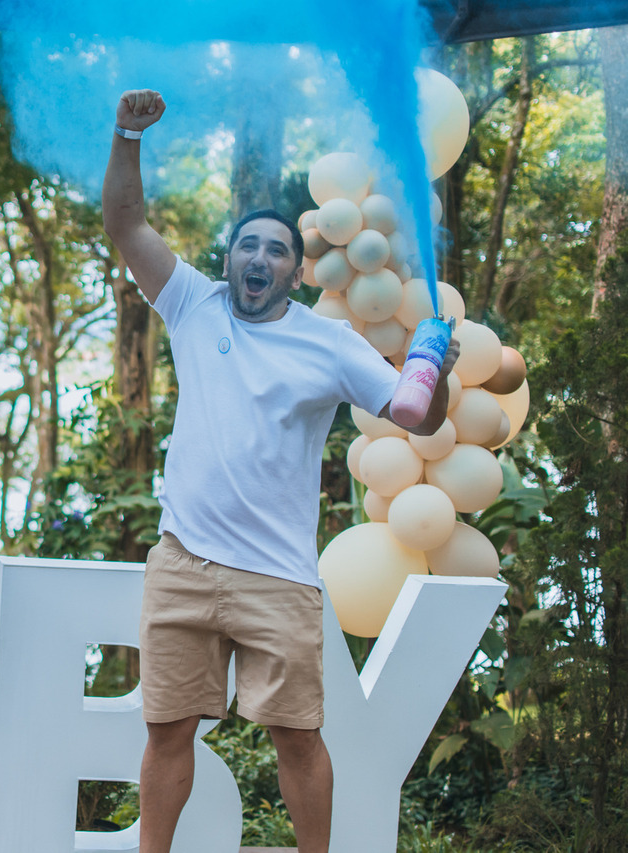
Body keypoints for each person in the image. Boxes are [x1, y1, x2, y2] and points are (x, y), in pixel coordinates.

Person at [101, 89, 459, 853]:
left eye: (275, 250)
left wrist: (440, 370)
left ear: (296, 272)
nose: (258, 258)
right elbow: (126, 224)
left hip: (279, 577)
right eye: (246, 246)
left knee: (298, 739)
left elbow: (413, 416)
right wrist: (127, 134)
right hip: (184, 566)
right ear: (228, 259)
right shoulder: (194, 304)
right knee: (167, 732)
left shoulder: (328, 344)